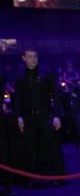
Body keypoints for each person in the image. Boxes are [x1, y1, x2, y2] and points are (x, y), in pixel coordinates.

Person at [14, 50, 65, 185]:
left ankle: (60, 178)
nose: (33, 59)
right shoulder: (19, 76)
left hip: (46, 115)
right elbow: (17, 98)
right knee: (30, 149)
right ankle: (31, 179)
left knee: (53, 147)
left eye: (35, 56)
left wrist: (57, 116)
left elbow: (55, 95)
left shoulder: (46, 73)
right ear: (23, 58)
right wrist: (19, 117)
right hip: (28, 117)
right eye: (29, 57)